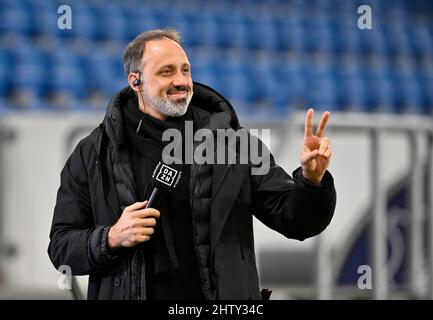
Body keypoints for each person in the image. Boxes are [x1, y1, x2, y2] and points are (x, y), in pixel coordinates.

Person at [48, 29, 336, 300]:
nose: (181, 81)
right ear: (135, 81)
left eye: (185, 70)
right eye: (166, 71)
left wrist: (311, 182)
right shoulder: (93, 153)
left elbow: (295, 220)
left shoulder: (234, 144)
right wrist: (110, 237)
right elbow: (61, 247)